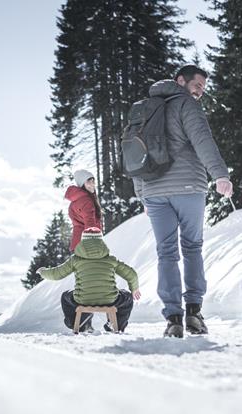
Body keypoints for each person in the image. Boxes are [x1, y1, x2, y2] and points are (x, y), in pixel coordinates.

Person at [133, 65, 233, 338]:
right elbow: (203, 140)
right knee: (191, 247)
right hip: (188, 187)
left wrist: (142, 192)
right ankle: (193, 314)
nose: (200, 90)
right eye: (197, 84)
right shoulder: (185, 104)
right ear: (180, 81)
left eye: (203, 86)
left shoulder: (145, 108)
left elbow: (135, 153)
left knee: (166, 252)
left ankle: (173, 317)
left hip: (154, 191)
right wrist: (220, 175)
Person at [37, 227, 140, 333]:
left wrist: (43, 272)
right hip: (110, 299)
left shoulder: (75, 260)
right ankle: (115, 324)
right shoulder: (111, 260)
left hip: (82, 299)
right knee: (127, 297)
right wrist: (134, 289)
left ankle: (78, 323)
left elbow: (56, 274)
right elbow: (131, 275)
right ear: (101, 241)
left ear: (83, 241)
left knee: (66, 296)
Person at [65, 169, 103, 251]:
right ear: (82, 184)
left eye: (93, 181)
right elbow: (90, 224)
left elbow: (79, 224)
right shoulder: (87, 201)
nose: (92, 184)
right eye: (88, 182)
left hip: (77, 245)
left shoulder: (74, 201)